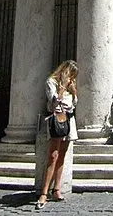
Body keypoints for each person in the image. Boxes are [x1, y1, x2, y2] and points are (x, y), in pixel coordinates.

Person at [36, 60, 77, 210]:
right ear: (65, 72)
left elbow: (73, 104)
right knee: (53, 155)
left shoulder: (70, 86)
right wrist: (61, 90)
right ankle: (44, 193)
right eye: (71, 75)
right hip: (57, 120)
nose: (73, 78)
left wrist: (74, 92)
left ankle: (57, 189)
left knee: (62, 156)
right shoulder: (51, 82)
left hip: (69, 120)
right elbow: (52, 104)